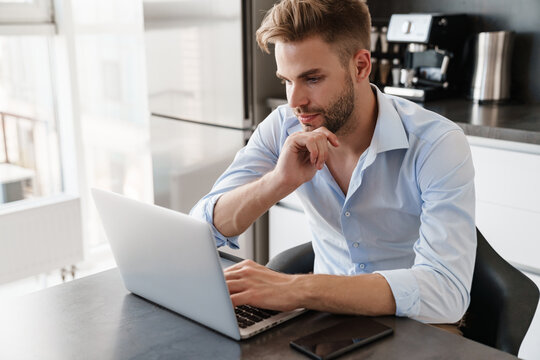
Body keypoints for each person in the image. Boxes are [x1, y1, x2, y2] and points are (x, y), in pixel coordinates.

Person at [190, 0, 476, 329]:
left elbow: (446, 295)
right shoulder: (282, 127)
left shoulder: (436, 144)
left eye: (312, 79)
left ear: (360, 66)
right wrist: (278, 182)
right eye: (286, 80)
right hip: (325, 323)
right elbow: (203, 230)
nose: (294, 101)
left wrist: (297, 288)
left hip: (417, 327)